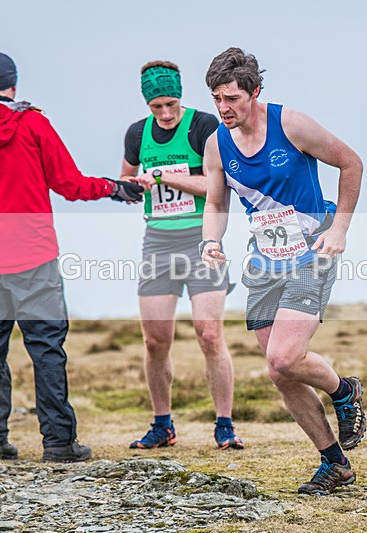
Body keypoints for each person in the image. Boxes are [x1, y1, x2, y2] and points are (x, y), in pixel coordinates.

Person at [0, 51, 144, 463]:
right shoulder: (33, 124)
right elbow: (69, 183)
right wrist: (114, 188)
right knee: (47, 349)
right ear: (13, 83)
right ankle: (59, 443)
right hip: (34, 260)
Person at [197, 47, 366, 495]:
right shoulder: (217, 143)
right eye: (216, 98)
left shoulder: (290, 124)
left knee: (284, 356)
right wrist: (211, 240)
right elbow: (216, 202)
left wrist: (341, 229)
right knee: (279, 372)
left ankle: (344, 391)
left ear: (255, 92)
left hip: (313, 250)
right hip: (265, 259)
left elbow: (352, 163)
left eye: (232, 98)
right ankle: (335, 463)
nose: (224, 108)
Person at [122, 60, 242, 450]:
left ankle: (225, 424)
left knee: (209, 333)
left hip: (201, 240)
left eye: (171, 103)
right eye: (157, 106)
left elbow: (215, 186)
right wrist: (130, 186)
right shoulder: (137, 134)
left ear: (181, 97)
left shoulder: (203, 125)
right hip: (157, 243)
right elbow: (124, 178)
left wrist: (161, 176)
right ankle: (162, 425)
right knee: (155, 341)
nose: (166, 113)